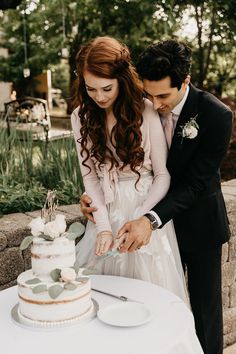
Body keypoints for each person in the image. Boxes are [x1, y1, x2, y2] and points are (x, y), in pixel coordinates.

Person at [71, 36, 189, 305]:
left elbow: (162, 175)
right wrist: (102, 228)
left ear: (121, 80)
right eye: (91, 89)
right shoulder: (80, 116)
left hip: (145, 205)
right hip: (106, 209)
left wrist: (140, 218)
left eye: (107, 88)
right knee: (100, 297)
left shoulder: (145, 109)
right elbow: (90, 176)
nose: (99, 97)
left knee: (147, 297)